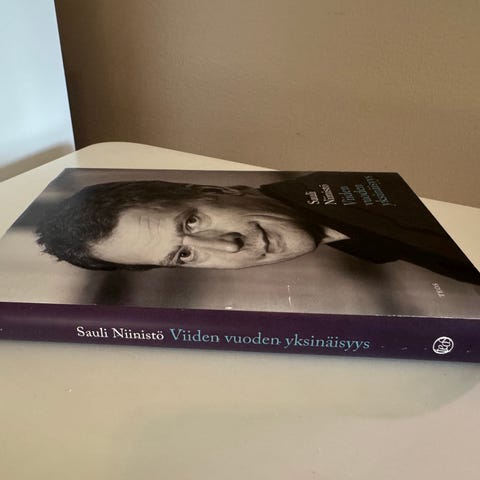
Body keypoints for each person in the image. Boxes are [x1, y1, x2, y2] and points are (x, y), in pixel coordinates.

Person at [36, 173, 480, 284]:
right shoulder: (363, 242)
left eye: (192, 221)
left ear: (220, 190)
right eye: (184, 255)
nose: (228, 246)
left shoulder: (405, 203)